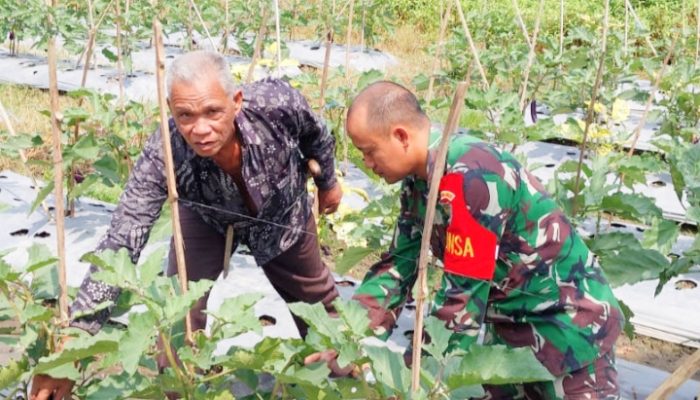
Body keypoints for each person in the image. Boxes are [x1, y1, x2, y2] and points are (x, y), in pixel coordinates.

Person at [30, 50, 342, 400]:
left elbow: (317, 134)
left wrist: (328, 182)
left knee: (318, 305)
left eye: (212, 111)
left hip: (281, 214)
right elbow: (123, 236)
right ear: (170, 110)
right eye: (185, 115)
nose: (200, 128)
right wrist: (77, 339)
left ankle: (343, 379)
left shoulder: (276, 104)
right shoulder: (165, 150)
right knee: (179, 311)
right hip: (204, 215)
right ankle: (183, 389)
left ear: (236, 101)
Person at [343, 81, 624, 399]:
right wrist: (347, 340)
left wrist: (413, 380)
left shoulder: (472, 178)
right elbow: (398, 266)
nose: (367, 163)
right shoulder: (418, 184)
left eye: (369, 151)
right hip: (511, 338)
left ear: (401, 136)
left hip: (569, 329)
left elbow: (461, 300)